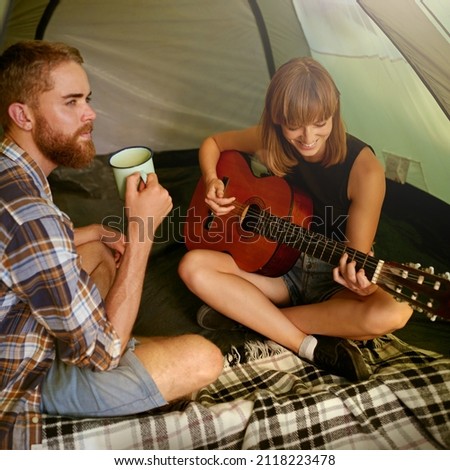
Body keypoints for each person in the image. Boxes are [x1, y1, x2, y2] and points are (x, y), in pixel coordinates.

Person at [0, 40, 223, 450]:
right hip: (19, 378)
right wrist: (141, 229)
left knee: (98, 250)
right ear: (23, 115)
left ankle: (117, 338)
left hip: (12, 327)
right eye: (71, 102)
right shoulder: (34, 216)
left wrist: (87, 232)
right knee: (204, 357)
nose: (90, 114)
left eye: (87, 99)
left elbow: (18, 252)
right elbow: (102, 356)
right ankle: (113, 351)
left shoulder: (10, 171)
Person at [179, 57, 413, 383]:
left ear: (334, 113)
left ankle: (254, 318)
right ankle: (303, 343)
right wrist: (210, 181)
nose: (308, 136)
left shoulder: (366, 171)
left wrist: (361, 282)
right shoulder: (270, 139)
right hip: (279, 274)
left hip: (329, 282)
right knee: (192, 266)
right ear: (277, 118)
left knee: (394, 312)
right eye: (295, 125)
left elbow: (355, 262)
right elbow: (214, 143)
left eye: (320, 122)